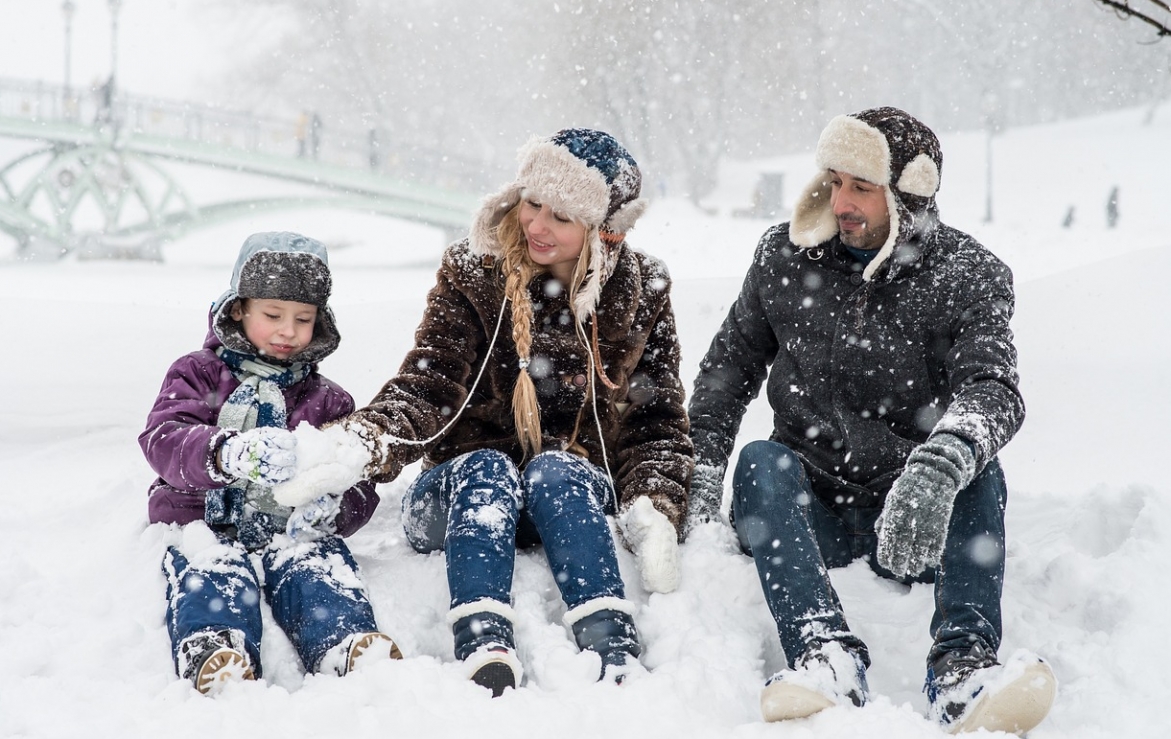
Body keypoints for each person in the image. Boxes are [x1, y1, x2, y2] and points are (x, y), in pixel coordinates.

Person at [686, 107, 1056, 734]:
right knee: (758, 462)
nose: (841, 201)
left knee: (978, 467)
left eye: (862, 186)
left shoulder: (968, 275)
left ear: (907, 194)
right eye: (834, 181)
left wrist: (939, 468)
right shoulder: (783, 257)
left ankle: (963, 670)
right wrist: (695, 477)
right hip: (809, 511)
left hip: (914, 519)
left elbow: (994, 389)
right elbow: (726, 374)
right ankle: (823, 654)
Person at [291, 129, 692, 696]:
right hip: (458, 497)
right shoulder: (473, 273)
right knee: (488, 468)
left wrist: (655, 503)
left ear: (604, 232)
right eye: (532, 202)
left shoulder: (641, 290)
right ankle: (483, 638)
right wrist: (363, 442)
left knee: (558, 469)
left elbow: (657, 420)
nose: (536, 225)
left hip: (565, 501)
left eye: (561, 215)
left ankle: (610, 640)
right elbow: (427, 385)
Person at [139, 232, 401, 695]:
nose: (288, 331)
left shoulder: (328, 400)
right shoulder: (198, 373)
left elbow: (357, 479)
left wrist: (335, 507)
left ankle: (343, 640)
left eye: (303, 319)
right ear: (238, 309)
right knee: (212, 568)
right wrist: (225, 452)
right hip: (201, 519)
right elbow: (164, 437)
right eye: (273, 315)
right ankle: (216, 644)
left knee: (317, 566)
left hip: (289, 529)